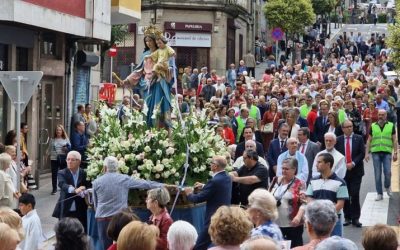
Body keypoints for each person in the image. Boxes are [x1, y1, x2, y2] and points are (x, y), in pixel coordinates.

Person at [92, 156, 167, 250]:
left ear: (105, 167)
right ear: (117, 168)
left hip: (102, 218)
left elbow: (95, 204)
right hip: (121, 219)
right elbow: (144, 183)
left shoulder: (96, 182)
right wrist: (163, 185)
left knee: (106, 247)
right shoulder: (124, 179)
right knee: (124, 245)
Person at [184, 156, 232, 250]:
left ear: (215, 166)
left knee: (200, 245)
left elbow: (199, 198)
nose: (210, 164)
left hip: (213, 218)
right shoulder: (227, 177)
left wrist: (189, 194)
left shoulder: (214, 181)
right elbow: (218, 188)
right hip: (225, 215)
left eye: (212, 163)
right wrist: (204, 186)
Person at [306, 153, 349, 237]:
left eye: (319, 162)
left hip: (333, 221)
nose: (316, 165)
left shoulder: (341, 183)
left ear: (328, 164)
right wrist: (319, 216)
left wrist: (325, 216)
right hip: (317, 221)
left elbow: (340, 205)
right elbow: (309, 199)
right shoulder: (313, 181)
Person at [335, 120, 365, 227]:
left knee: (355, 194)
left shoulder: (359, 138)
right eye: (347, 127)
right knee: (345, 194)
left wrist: (353, 163)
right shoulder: (338, 140)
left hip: (356, 171)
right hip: (344, 172)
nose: (349, 128)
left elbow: (362, 153)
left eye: (351, 126)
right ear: (342, 129)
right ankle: (347, 217)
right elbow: (337, 155)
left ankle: (356, 218)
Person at [270, 158, 306, 247]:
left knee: (295, 247)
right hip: (275, 222)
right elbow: (268, 195)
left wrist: (298, 216)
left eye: (286, 169)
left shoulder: (300, 183)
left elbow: (304, 203)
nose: (283, 171)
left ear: (294, 170)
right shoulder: (275, 180)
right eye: (282, 168)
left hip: (293, 224)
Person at [52, 151, 91, 232]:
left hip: (81, 208)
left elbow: (89, 186)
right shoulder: (62, 172)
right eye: (68, 159)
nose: (69, 162)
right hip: (66, 208)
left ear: (79, 162)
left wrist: (85, 188)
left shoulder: (84, 173)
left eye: (72, 160)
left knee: (81, 231)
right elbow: (62, 184)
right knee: (64, 231)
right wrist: (74, 190)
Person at [365, 109, 398, 201]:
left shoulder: (391, 126)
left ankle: (387, 186)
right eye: (379, 115)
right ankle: (379, 193)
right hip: (376, 153)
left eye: (383, 115)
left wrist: (395, 153)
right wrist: (366, 153)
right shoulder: (373, 126)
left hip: (387, 152)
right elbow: (369, 140)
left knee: (387, 173)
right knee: (377, 174)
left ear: (386, 116)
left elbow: (394, 140)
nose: (381, 116)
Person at [49, 124, 71, 195]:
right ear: (55, 131)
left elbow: (70, 147)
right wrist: (47, 155)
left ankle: (63, 187)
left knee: (63, 173)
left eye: (60, 130)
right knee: (54, 174)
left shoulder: (66, 139)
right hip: (54, 158)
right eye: (57, 130)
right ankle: (54, 189)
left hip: (63, 158)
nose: (58, 131)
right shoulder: (52, 139)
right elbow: (50, 149)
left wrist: (66, 148)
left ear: (62, 131)